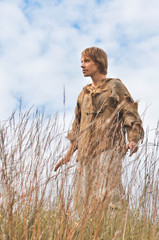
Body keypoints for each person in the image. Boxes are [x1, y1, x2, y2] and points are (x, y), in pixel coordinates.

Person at [54, 47, 144, 206]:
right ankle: (89, 231)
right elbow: (77, 127)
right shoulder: (83, 94)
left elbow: (129, 112)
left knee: (108, 195)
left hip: (108, 147)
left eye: (87, 61)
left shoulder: (114, 85)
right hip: (84, 152)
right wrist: (68, 155)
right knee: (82, 200)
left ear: (99, 62)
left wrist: (133, 138)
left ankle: (115, 229)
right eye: (81, 62)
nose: (82, 65)